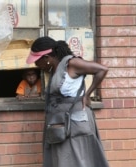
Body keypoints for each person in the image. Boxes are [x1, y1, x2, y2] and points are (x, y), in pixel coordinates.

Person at [26, 36, 109, 167]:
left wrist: (88, 94)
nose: (36, 65)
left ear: (46, 58)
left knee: (79, 160)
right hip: (61, 123)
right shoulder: (56, 69)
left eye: (37, 61)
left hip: (76, 124)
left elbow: (102, 69)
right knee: (63, 159)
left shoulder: (72, 63)